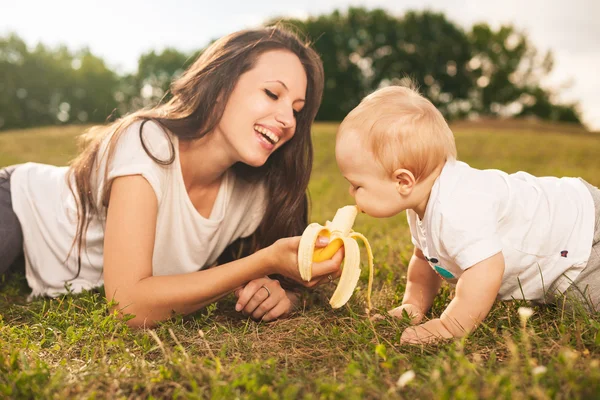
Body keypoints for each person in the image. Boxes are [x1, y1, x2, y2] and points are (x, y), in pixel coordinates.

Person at [0, 25, 344, 328]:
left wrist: (282, 293)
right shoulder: (148, 142)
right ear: (221, 84)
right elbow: (129, 306)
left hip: (45, 267)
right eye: (272, 93)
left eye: (297, 110)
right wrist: (263, 261)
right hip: (19, 207)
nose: (288, 120)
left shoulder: (256, 192)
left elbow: (292, 281)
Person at [335, 85, 600, 344]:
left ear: (403, 181)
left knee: (586, 303)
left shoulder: (456, 208)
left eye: (357, 185)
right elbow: (423, 257)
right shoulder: (421, 202)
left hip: (581, 232)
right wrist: (413, 303)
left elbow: (486, 270)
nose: (350, 192)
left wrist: (451, 325)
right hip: (573, 218)